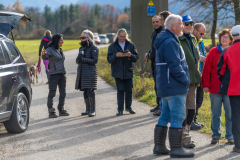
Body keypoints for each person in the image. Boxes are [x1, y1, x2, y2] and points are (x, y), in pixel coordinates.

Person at [153, 14, 194, 158]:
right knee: (178, 116)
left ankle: (159, 147)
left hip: (166, 86)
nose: (183, 26)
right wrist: (185, 81)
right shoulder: (170, 42)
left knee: (165, 116)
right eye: (181, 24)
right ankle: (176, 149)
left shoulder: (164, 39)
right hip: (174, 86)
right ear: (173, 26)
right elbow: (175, 66)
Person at [202, 28, 234, 145]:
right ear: (219, 38)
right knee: (216, 113)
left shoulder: (233, 51)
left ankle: (230, 135)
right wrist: (205, 85)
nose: (224, 39)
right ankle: (215, 135)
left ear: (231, 39)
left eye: (226, 37)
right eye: (222, 36)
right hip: (215, 88)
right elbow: (206, 70)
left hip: (230, 89)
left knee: (230, 113)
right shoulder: (213, 52)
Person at [178, 15, 202, 148]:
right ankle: (184, 138)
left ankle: (185, 132)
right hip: (183, 80)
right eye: (186, 23)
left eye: (190, 23)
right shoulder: (178, 40)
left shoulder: (194, 39)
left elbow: (195, 60)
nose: (188, 25)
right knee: (183, 111)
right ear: (181, 25)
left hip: (193, 81)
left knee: (192, 110)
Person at [217, 25, 240, 152]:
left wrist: (226, 82)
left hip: (234, 89)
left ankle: (238, 145)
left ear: (232, 37)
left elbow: (220, 71)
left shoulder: (227, 51)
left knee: (236, 116)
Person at [145, 11, 171, 116]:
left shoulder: (163, 32)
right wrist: (149, 52)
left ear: (161, 22)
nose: (155, 24)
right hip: (154, 62)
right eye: (154, 22)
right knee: (157, 85)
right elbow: (153, 47)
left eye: (157, 21)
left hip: (160, 63)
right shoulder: (154, 32)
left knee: (160, 85)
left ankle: (161, 107)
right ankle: (158, 105)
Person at [107, 28, 139, 116]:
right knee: (120, 90)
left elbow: (136, 58)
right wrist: (116, 55)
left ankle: (128, 107)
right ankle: (120, 109)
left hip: (128, 71)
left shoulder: (131, 45)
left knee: (129, 90)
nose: (122, 38)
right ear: (117, 36)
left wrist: (130, 55)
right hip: (117, 72)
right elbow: (109, 59)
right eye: (121, 36)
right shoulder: (112, 46)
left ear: (126, 36)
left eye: (124, 36)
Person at [42, 34, 69, 118]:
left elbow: (62, 63)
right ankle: (51, 111)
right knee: (52, 93)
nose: (63, 41)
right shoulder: (50, 50)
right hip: (53, 75)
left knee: (63, 93)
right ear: (57, 41)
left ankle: (61, 109)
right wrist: (43, 54)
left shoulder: (60, 50)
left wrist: (64, 73)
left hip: (61, 74)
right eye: (61, 40)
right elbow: (45, 57)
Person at [75, 30, 98, 117]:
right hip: (82, 72)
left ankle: (93, 110)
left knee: (90, 90)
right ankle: (87, 109)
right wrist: (78, 58)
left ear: (89, 38)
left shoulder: (94, 48)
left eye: (83, 37)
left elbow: (94, 61)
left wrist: (83, 59)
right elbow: (78, 61)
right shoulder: (81, 48)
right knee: (84, 90)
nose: (81, 39)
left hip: (90, 72)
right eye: (80, 37)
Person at [191, 23, 206, 130]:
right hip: (193, 75)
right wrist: (198, 58)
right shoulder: (190, 41)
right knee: (192, 100)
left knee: (199, 99)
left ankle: (193, 119)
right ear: (195, 30)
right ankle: (190, 121)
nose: (202, 35)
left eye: (203, 34)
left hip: (201, 74)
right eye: (201, 33)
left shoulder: (200, 42)